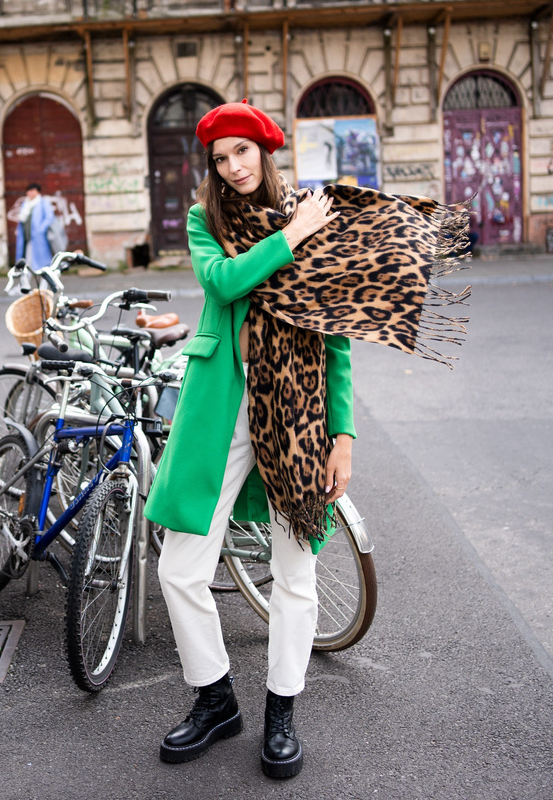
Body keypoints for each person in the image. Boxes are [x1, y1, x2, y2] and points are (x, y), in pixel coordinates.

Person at [144, 101, 356, 779]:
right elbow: (222, 280)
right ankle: (215, 697)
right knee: (180, 568)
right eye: (219, 157)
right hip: (221, 408)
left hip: (297, 414)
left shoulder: (314, 214)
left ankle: (282, 711)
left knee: (295, 575)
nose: (232, 167)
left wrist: (343, 435)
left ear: (265, 151)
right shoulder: (208, 221)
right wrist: (291, 237)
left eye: (242, 152)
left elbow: (337, 337)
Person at [15, 182, 54, 270]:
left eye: (32, 191)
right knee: (28, 260)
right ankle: (26, 280)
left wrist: (40, 230)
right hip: (27, 237)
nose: (29, 193)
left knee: (42, 262)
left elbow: (49, 217)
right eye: (28, 191)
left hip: (39, 238)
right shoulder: (26, 204)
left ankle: (44, 280)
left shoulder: (43, 203)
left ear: (37, 192)